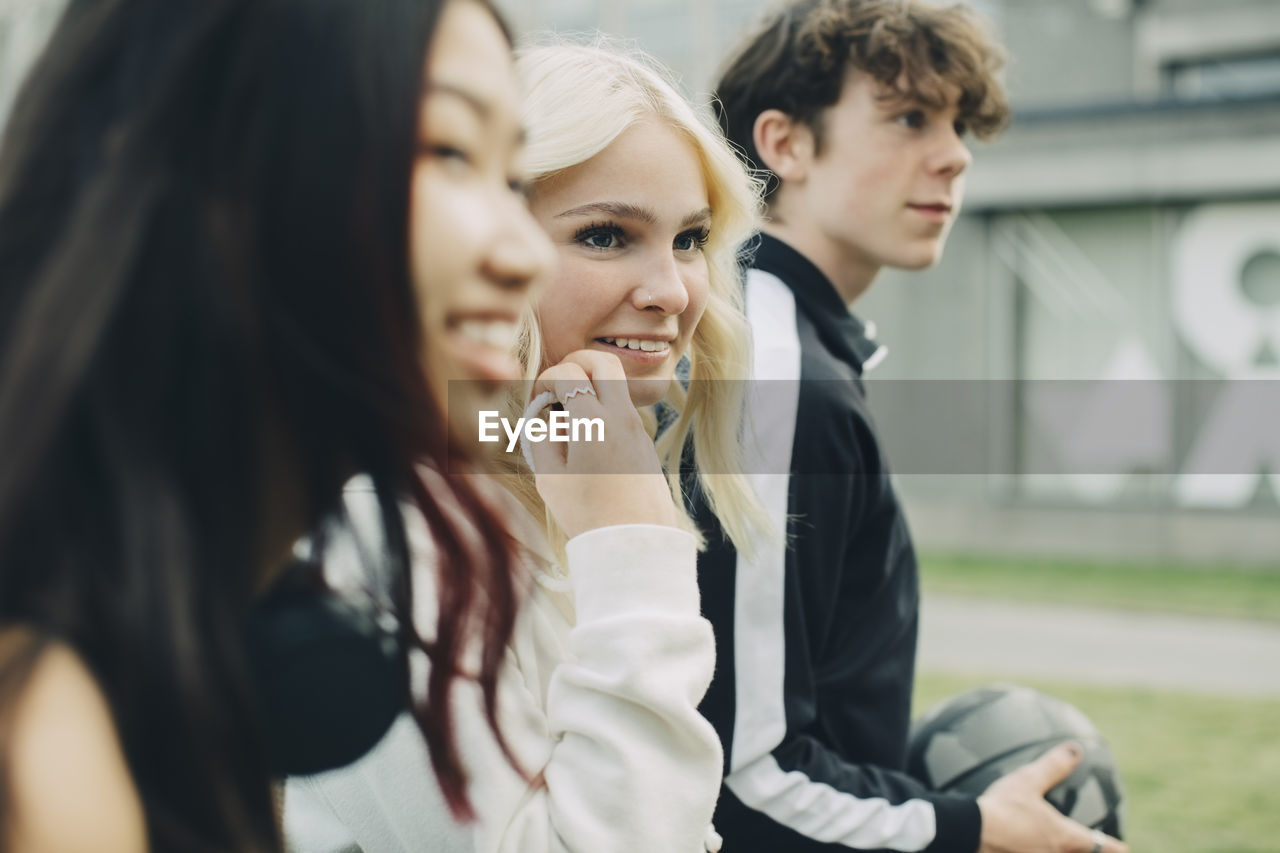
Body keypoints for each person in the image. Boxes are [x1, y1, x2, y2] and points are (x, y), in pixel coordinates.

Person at [0, 0, 554, 850]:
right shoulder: (50, 751)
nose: (526, 254)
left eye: (512, 178)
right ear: (212, 180)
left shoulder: (197, 642)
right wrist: (635, 548)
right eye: (447, 151)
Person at [283, 41, 765, 853]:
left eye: (690, 239)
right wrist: (634, 551)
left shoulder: (551, 483)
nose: (674, 291)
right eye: (608, 235)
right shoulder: (388, 530)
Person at [694, 2, 1130, 852]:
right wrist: (971, 827)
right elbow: (743, 778)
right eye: (909, 118)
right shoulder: (780, 378)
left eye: (960, 122)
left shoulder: (781, 343)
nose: (956, 153)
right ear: (786, 145)